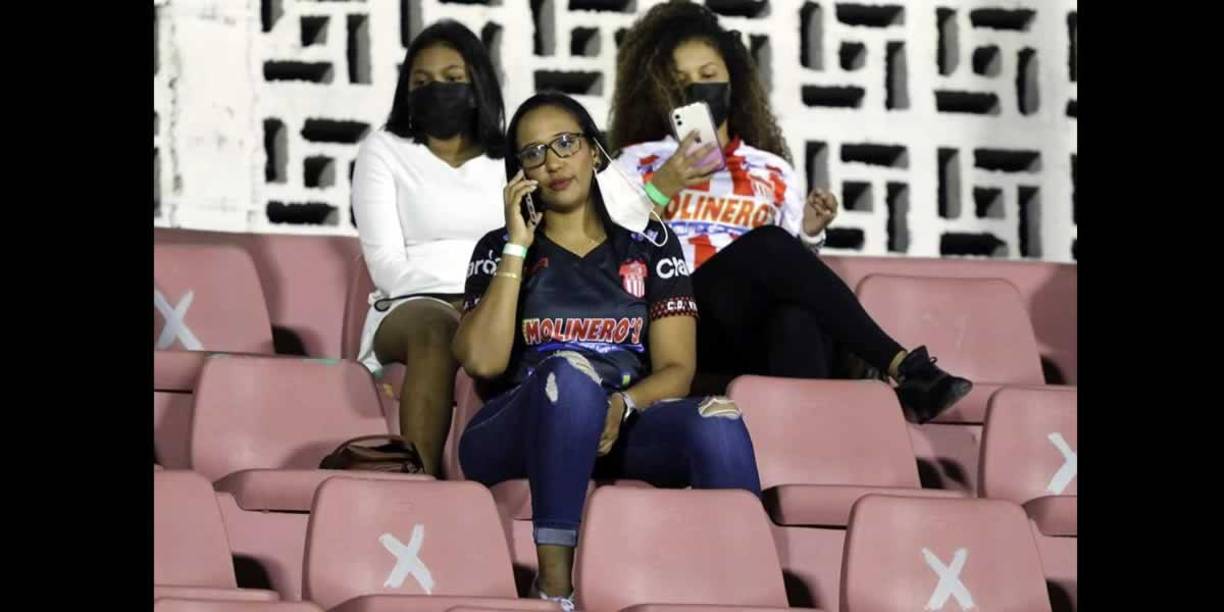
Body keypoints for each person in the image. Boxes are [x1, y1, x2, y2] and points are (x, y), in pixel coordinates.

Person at [452, 92, 762, 606]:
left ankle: (743, 596)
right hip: (516, 430)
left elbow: (678, 369)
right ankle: (555, 590)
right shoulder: (497, 248)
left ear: (595, 153)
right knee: (570, 376)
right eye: (534, 153)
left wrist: (623, 404)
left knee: (719, 420)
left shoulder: (650, 243)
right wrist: (517, 245)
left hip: (620, 425)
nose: (553, 162)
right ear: (519, 174)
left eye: (565, 143)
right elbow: (482, 361)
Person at [608, 1, 972, 422]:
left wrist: (809, 235)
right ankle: (903, 366)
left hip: (745, 328)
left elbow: (794, 273)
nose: (697, 88)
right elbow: (608, 247)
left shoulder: (772, 170)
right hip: (674, 318)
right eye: (680, 81)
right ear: (660, 91)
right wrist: (664, 185)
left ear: (733, 79)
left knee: (796, 318)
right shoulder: (638, 161)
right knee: (767, 242)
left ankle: (805, 451)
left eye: (708, 76)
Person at [350, 20, 507, 475]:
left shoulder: (509, 158)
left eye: (452, 79)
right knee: (438, 331)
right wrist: (461, 303)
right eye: (422, 82)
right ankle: (418, 486)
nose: (437, 90)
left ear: (477, 87)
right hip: (409, 306)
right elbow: (385, 266)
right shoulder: (383, 150)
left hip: (495, 303)